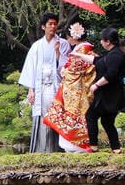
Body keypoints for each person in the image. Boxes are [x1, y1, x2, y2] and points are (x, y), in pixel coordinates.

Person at [18, 12, 70, 152]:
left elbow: (67, 69)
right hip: (41, 87)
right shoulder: (37, 46)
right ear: (43, 27)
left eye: (55, 24)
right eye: (50, 24)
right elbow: (31, 69)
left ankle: (57, 149)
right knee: (42, 117)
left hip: (56, 87)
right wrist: (31, 89)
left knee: (57, 115)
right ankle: (41, 149)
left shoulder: (63, 44)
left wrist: (58, 52)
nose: (53, 27)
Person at [43, 22, 96, 152]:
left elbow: (72, 70)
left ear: (74, 36)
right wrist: (58, 53)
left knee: (73, 114)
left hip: (76, 91)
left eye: (68, 37)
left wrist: (64, 71)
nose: (68, 40)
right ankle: (79, 144)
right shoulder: (85, 49)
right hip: (79, 90)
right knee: (79, 115)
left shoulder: (82, 50)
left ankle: (76, 145)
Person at [84, 27, 125, 153]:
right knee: (107, 121)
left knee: (91, 115)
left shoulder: (115, 55)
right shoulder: (113, 53)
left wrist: (96, 85)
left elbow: (111, 74)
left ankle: (93, 146)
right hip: (109, 95)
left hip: (110, 95)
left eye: (102, 40)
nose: (100, 42)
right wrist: (79, 55)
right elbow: (98, 61)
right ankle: (116, 149)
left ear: (108, 41)